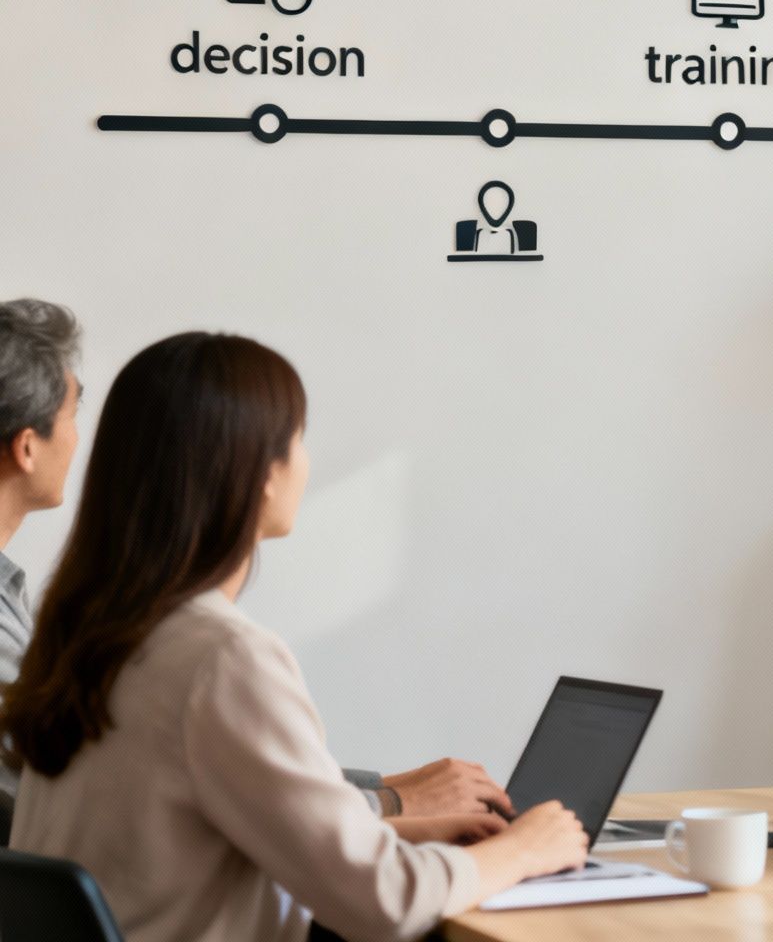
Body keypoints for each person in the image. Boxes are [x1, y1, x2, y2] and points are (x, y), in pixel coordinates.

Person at [1, 332, 587, 942]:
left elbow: (178, 852)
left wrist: (398, 835)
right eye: (297, 438)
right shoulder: (218, 658)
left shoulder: (84, 641)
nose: (306, 460)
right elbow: (381, 904)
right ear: (257, 473)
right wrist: (524, 851)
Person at [0, 300, 510, 839]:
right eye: (75, 413)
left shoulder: (56, 612)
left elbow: (195, 781)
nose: (82, 441)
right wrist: (401, 804)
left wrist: (385, 789)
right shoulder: (215, 651)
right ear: (28, 447)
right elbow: (106, 802)